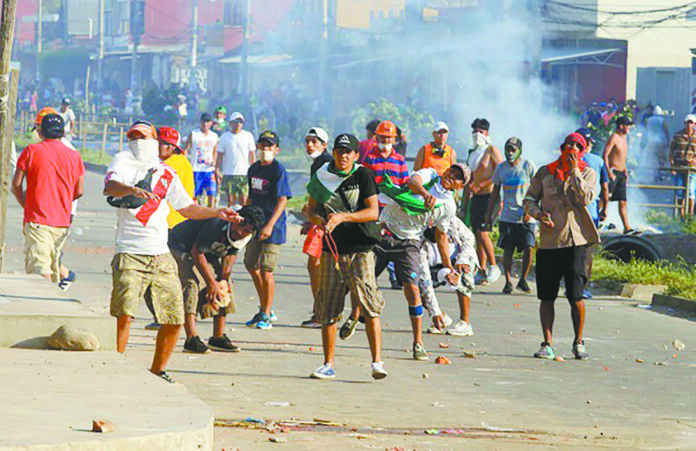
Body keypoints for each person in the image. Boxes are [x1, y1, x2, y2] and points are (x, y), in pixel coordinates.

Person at [104, 120, 240, 383]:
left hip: (160, 252)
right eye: (133, 136)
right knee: (125, 316)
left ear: (154, 139)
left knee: (174, 317)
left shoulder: (167, 174)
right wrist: (132, 190)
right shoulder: (122, 160)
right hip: (130, 252)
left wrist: (216, 212)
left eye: (143, 136)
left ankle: (158, 369)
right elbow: (110, 186)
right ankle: (115, 367)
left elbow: (187, 208)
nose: (137, 141)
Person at [305, 133, 387, 380]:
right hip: (333, 249)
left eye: (348, 152)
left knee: (369, 303)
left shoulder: (362, 175)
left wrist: (342, 217)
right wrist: (319, 222)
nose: (343, 157)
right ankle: (327, 363)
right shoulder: (321, 177)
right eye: (340, 152)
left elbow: (373, 212)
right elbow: (310, 208)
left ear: (355, 155)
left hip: (361, 247)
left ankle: (377, 363)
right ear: (335, 153)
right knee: (328, 306)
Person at [373, 164, 469, 360]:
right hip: (386, 227)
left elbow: (441, 235)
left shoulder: (448, 206)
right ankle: (353, 316)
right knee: (364, 278)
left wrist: (448, 266)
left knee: (413, 290)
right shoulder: (430, 174)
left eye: (458, 177)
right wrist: (426, 195)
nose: (452, 176)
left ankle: (418, 343)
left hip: (409, 240)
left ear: (460, 186)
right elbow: (413, 182)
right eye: (452, 171)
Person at [524, 132, 598, 361]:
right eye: (569, 146)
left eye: (578, 146)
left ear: (582, 151)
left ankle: (578, 342)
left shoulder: (587, 172)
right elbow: (528, 200)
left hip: (575, 241)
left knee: (575, 296)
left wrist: (574, 172)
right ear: (562, 148)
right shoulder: (545, 172)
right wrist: (538, 214)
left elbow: (586, 198)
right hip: (548, 242)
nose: (572, 150)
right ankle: (547, 343)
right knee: (546, 296)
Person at [168, 205, 266, 354]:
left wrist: (223, 279)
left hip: (208, 251)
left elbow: (231, 253)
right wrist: (210, 283)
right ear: (235, 219)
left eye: (246, 230)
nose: (240, 232)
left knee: (224, 284)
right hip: (181, 245)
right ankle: (191, 339)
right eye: (239, 225)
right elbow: (197, 252)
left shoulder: (246, 236)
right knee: (192, 283)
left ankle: (217, 337)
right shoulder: (217, 223)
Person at [12, 113, 84, 283]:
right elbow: (79, 191)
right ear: (62, 133)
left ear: (40, 132)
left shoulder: (31, 151)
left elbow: (16, 184)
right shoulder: (75, 156)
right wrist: (61, 201)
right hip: (61, 223)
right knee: (53, 268)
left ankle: (41, 307)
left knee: (40, 272)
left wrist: (25, 202)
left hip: (38, 221)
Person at [244, 130, 292, 330]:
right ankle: (265, 306)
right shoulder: (254, 168)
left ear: (276, 150)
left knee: (266, 270)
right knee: (250, 264)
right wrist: (244, 218)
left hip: (273, 226)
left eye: (269, 146)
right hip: (256, 223)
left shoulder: (278, 171)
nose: (265, 149)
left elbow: (282, 199)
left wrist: (270, 224)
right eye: (262, 145)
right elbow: (250, 195)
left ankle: (266, 313)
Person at [362, 120, 410, 292]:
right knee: (375, 243)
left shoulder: (399, 160)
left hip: (394, 208)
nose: (386, 141)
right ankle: (369, 277)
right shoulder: (370, 158)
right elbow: (364, 182)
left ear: (394, 140)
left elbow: (405, 183)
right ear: (377, 137)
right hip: (374, 206)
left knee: (394, 241)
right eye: (383, 137)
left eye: (389, 138)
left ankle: (395, 276)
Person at [484, 137, 536, 295]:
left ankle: (523, 279)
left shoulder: (528, 166)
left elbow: (536, 190)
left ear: (520, 150)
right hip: (507, 215)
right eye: (508, 149)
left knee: (529, 246)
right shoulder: (501, 169)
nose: (510, 152)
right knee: (508, 248)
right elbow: (494, 194)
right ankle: (507, 281)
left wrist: (530, 210)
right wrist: (489, 217)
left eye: (513, 149)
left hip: (526, 215)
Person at [419, 202, 477, 336]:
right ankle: (440, 317)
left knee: (464, 273)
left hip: (457, 259)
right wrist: (435, 311)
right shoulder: (419, 238)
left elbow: (469, 239)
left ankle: (465, 322)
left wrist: (462, 261)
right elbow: (425, 279)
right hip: (433, 265)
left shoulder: (452, 222)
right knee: (415, 286)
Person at [462, 118, 503, 284]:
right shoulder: (473, 153)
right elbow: (469, 181)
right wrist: (463, 205)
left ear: (487, 133)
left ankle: (494, 266)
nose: (477, 134)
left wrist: (482, 184)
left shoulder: (491, 150)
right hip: (476, 198)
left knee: (483, 231)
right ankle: (482, 270)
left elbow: (501, 172)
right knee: (476, 233)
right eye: (475, 131)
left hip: (490, 197)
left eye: (481, 131)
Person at [300, 126, 332, 329]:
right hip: (321, 220)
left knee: (319, 265)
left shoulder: (325, 163)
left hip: (329, 221)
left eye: (315, 141)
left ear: (324, 145)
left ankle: (324, 312)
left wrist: (317, 218)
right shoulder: (318, 163)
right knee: (315, 264)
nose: (310, 145)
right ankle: (320, 311)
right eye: (308, 141)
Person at [576, 127, 609, 300]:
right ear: (587, 144)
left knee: (571, 250)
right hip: (591, 212)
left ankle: (571, 285)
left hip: (571, 213)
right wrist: (605, 208)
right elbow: (604, 188)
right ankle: (584, 288)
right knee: (588, 251)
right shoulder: (598, 161)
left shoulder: (566, 160)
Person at [603, 116, 636, 234]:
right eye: (627, 126)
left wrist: (625, 170)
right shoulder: (614, 137)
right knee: (604, 198)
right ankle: (596, 222)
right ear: (621, 126)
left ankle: (627, 227)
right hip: (613, 172)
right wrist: (608, 172)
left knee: (622, 201)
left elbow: (622, 156)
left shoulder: (624, 138)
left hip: (621, 173)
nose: (629, 128)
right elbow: (605, 154)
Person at [216, 112, 256, 207]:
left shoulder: (248, 136)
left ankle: (244, 220)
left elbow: (252, 154)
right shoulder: (224, 137)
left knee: (244, 201)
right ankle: (231, 220)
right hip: (229, 173)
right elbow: (220, 155)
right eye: (236, 121)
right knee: (231, 202)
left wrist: (254, 169)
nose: (238, 124)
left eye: (240, 122)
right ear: (231, 123)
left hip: (244, 173)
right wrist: (217, 169)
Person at [158, 126, 195, 229]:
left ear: (171, 147)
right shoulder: (183, 161)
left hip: (169, 221)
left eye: (159, 143)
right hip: (181, 221)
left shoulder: (167, 165)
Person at [184, 113, 219, 207]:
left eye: (208, 121)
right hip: (196, 169)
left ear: (211, 123)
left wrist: (214, 162)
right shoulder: (194, 134)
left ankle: (210, 214)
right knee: (195, 195)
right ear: (200, 122)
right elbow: (186, 149)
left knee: (212, 193)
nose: (205, 124)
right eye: (203, 121)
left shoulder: (214, 136)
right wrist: (186, 163)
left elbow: (215, 152)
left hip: (209, 170)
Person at [669, 114, 696, 219]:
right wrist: (672, 165)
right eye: (687, 123)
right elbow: (671, 150)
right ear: (684, 123)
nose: (689, 125)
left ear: (694, 124)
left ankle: (690, 216)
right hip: (679, 168)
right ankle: (681, 215)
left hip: (692, 169)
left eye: (691, 123)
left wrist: (694, 160)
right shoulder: (677, 136)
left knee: (690, 192)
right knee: (679, 191)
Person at [642, 105, 670, 179]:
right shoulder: (662, 120)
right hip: (660, 142)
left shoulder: (649, 120)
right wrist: (668, 141)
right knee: (661, 159)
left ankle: (654, 174)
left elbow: (646, 131)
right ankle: (660, 173)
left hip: (651, 141)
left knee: (653, 158)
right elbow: (666, 131)